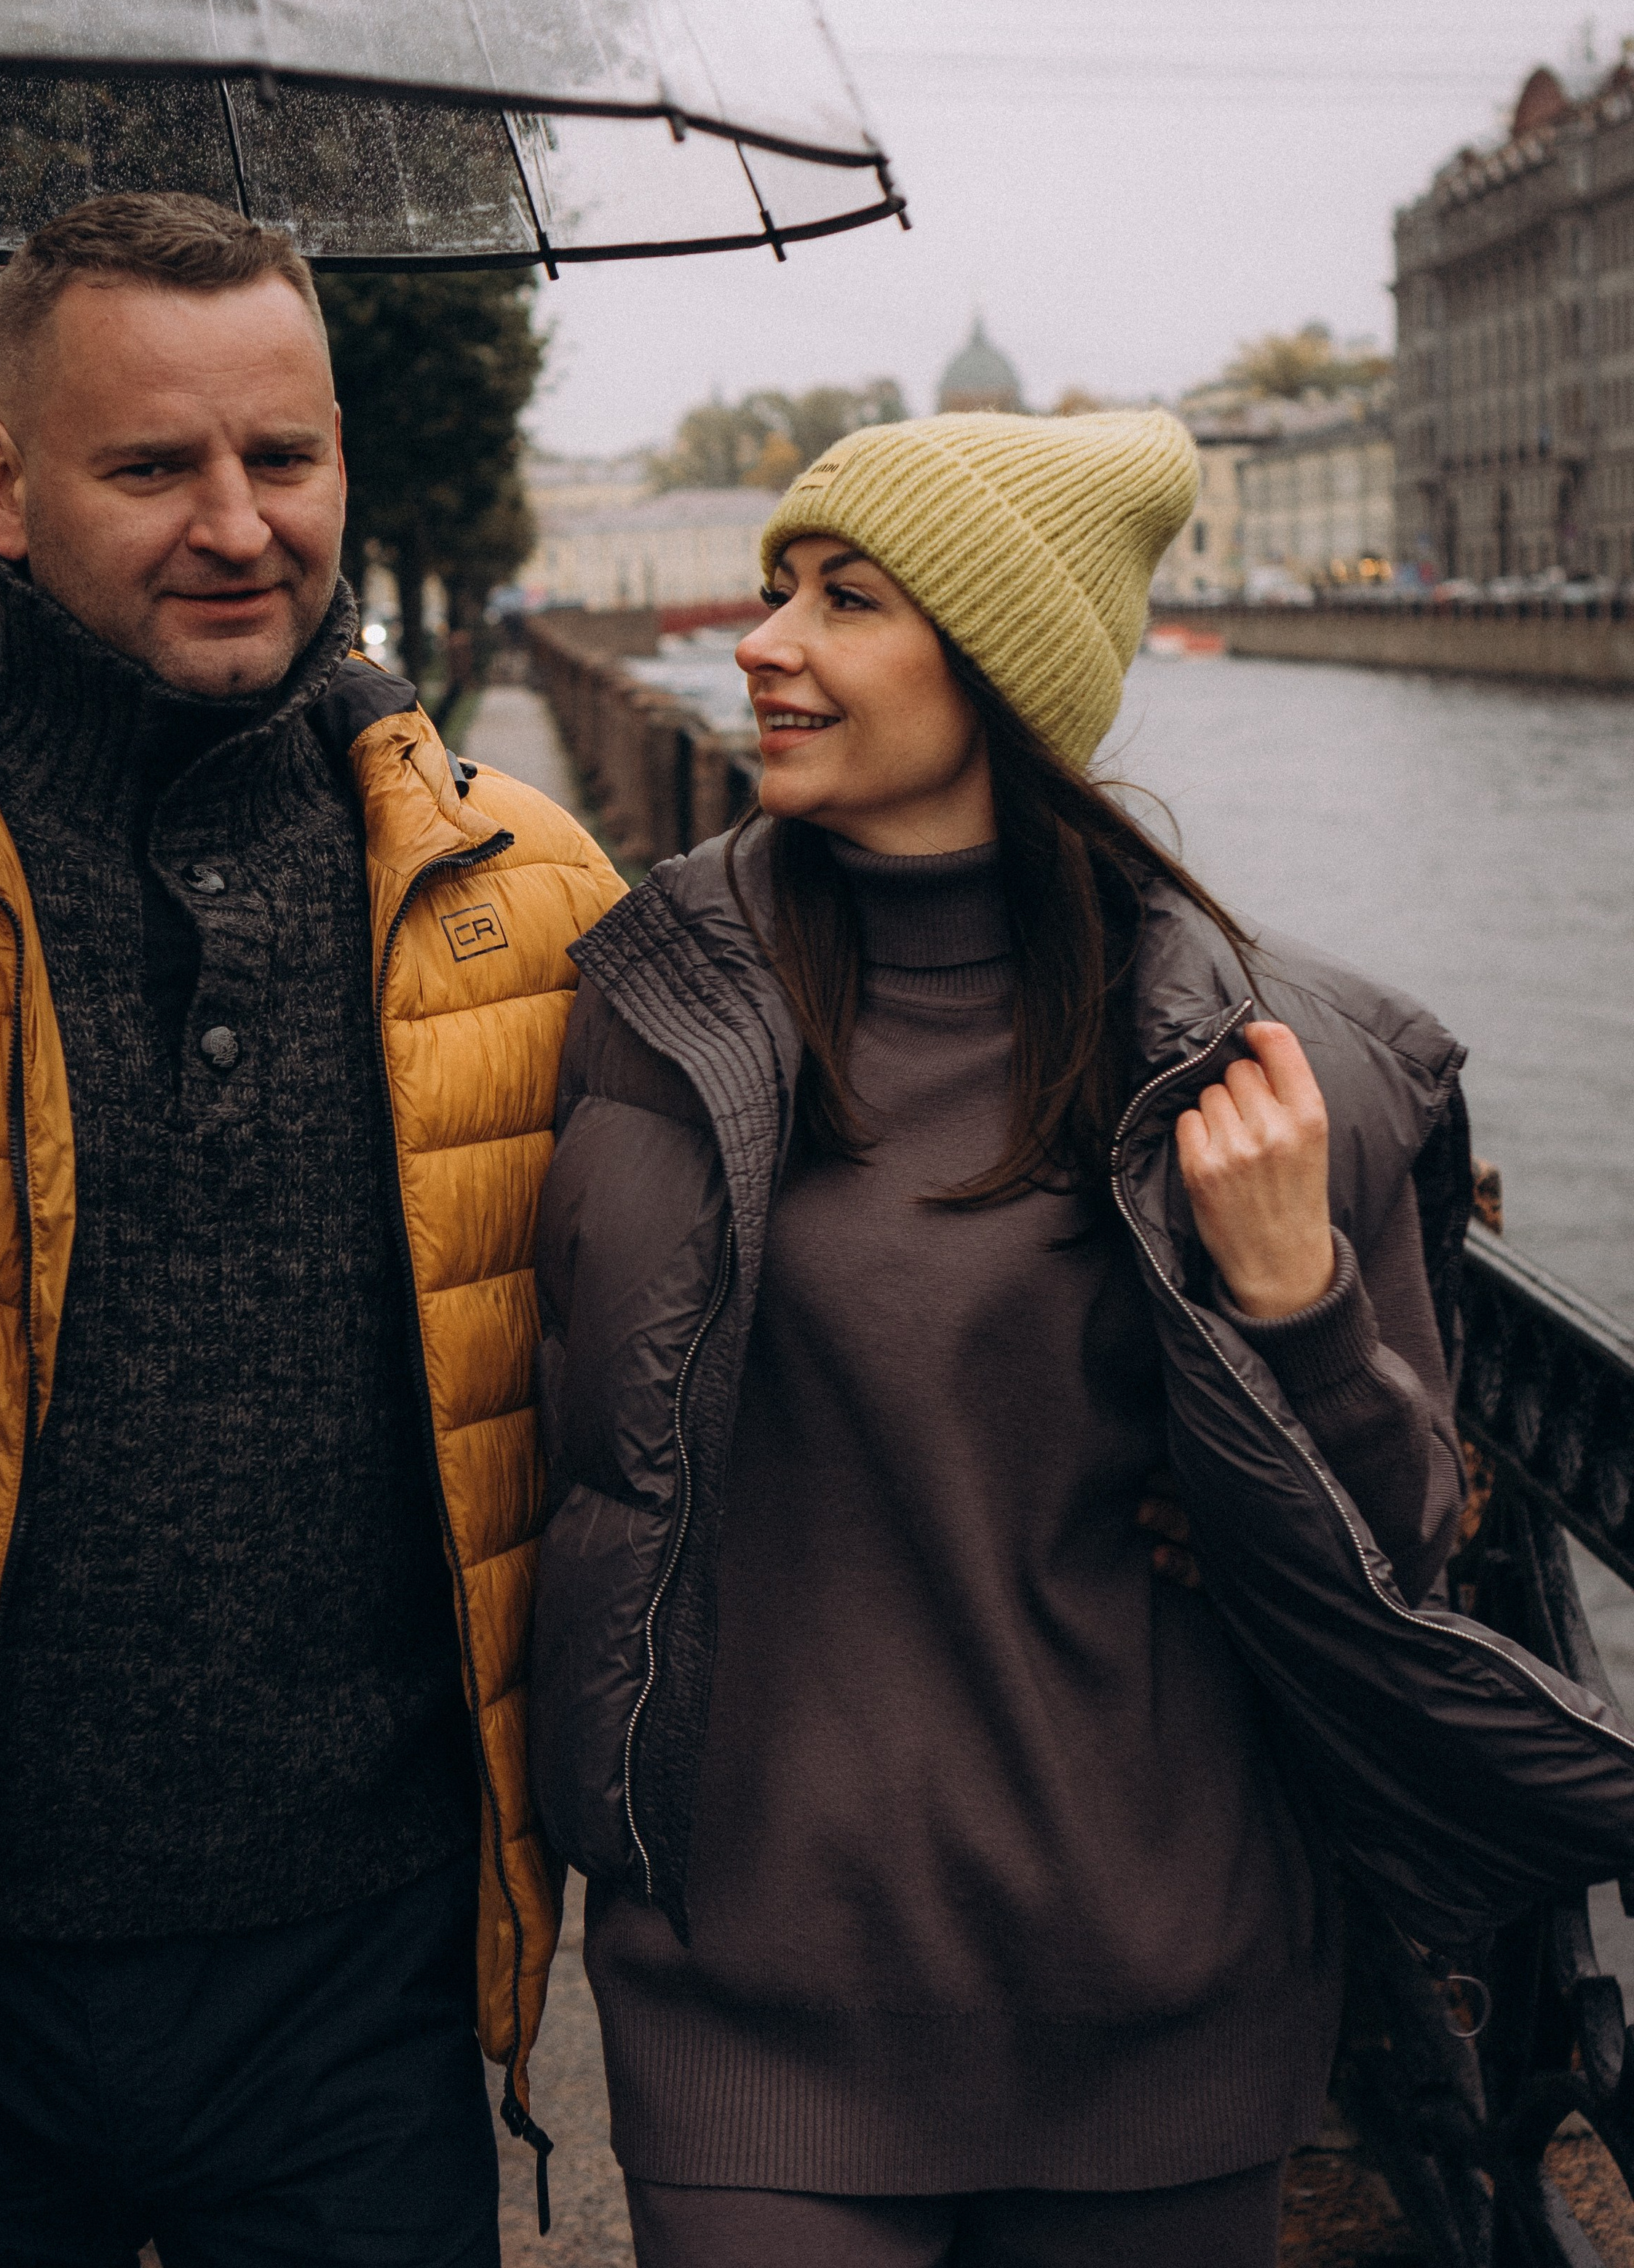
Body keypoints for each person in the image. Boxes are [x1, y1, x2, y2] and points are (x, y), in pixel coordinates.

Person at [526, 407, 1627, 2268]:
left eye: (844, 597)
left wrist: (1291, 1305)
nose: (762, 639)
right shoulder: (653, 997)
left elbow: (1397, 1556)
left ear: (997, 669)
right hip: (753, 1983)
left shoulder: (1273, 1062)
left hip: (1153, 1983)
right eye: (780, 582)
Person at [0, 193, 622, 2267]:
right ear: (2, 482)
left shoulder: (525, 889)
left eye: (287, 457)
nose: (239, 524)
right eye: (153, 467)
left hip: (359, 1972)